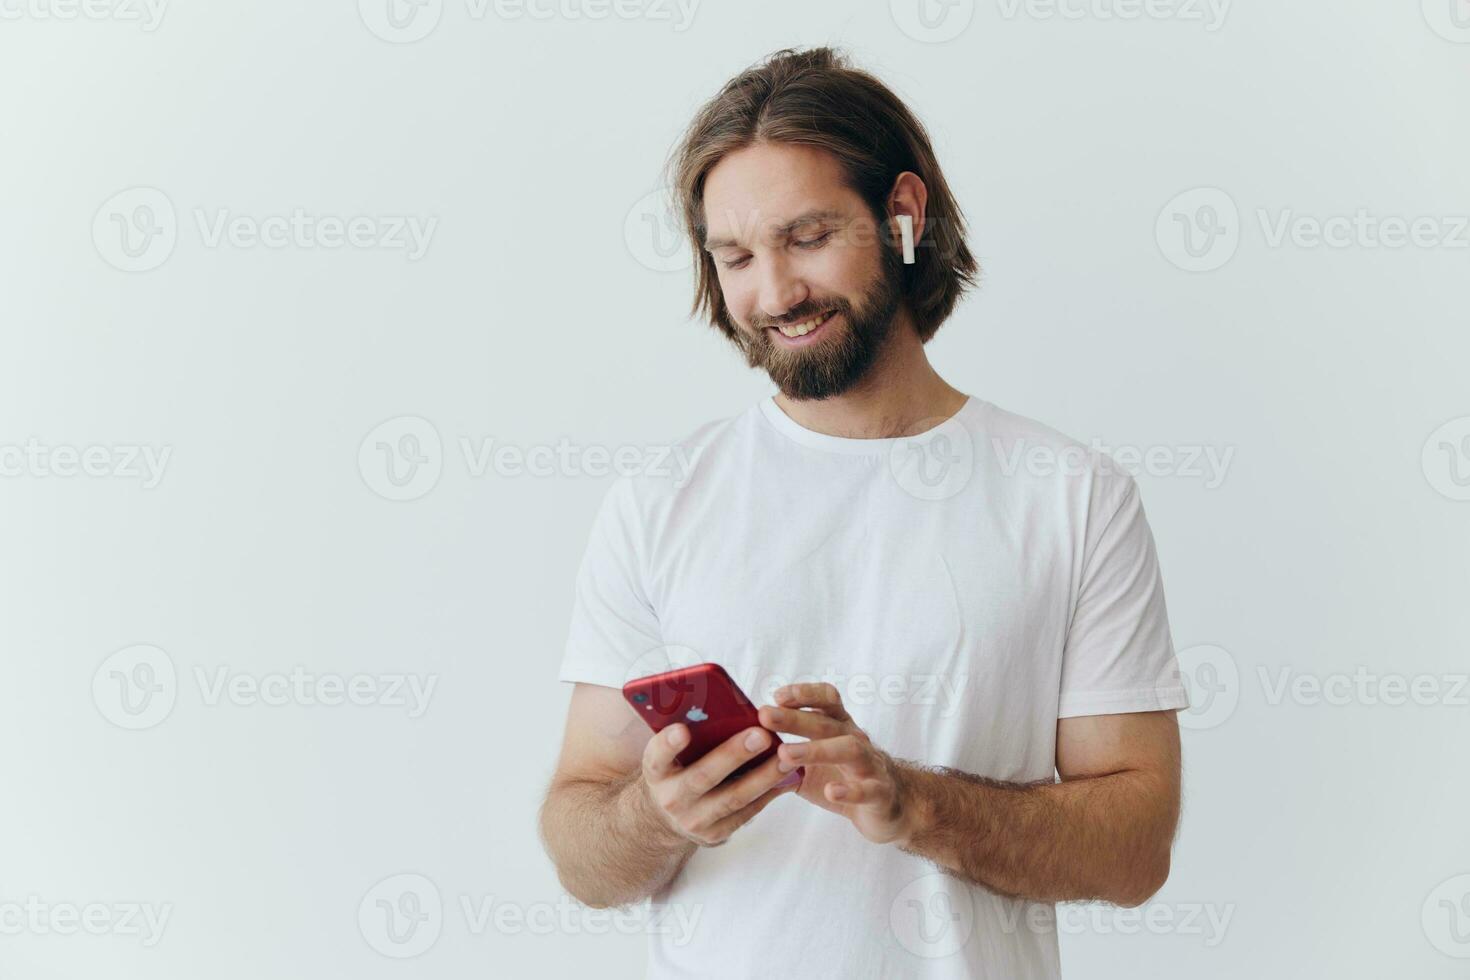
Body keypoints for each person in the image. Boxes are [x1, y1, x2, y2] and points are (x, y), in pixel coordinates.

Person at [539, 45, 1188, 980]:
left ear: (904, 216)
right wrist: (654, 814)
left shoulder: (1072, 496)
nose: (773, 292)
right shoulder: (659, 502)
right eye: (736, 256)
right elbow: (581, 846)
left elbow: (1135, 853)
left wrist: (912, 804)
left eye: (807, 237)